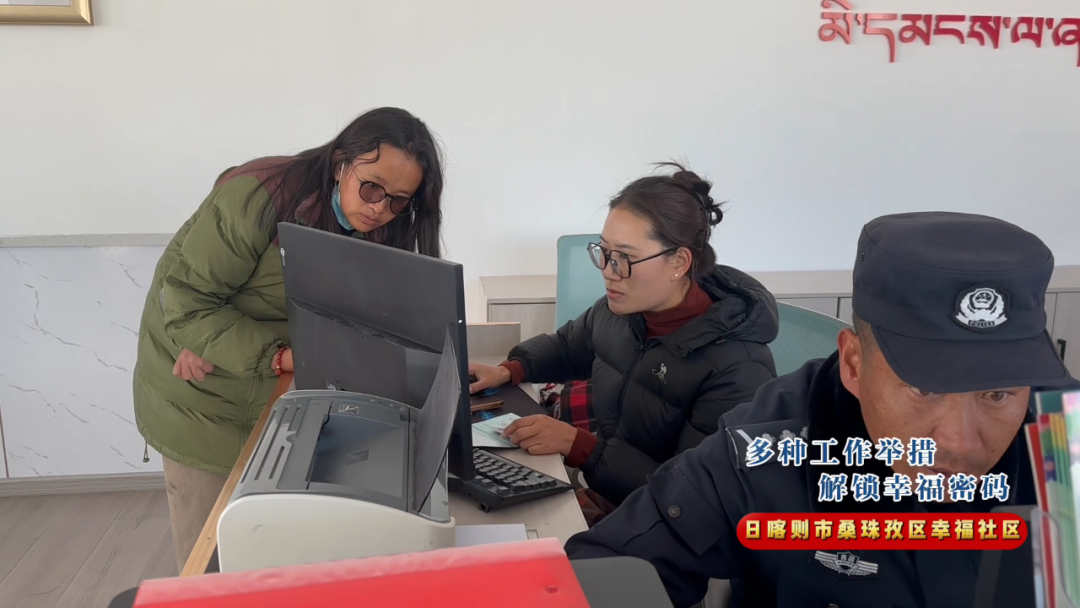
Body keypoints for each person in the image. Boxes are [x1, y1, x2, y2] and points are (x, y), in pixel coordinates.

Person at [563, 211, 1076, 608]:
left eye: (997, 395)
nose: (961, 442)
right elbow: (600, 574)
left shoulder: (1066, 441)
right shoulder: (766, 446)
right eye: (923, 389)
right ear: (853, 363)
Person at [131, 107, 445, 570]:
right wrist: (282, 356)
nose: (381, 208)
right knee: (210, 564)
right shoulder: (259, 195)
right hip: (202, 398)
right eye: (372, 187)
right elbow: (186, 301)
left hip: (277, 394)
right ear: (341, 163)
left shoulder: (384, 224)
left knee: (271, 555)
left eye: (399, 200)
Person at [468, 163, 779, 519]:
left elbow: (693, 497)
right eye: (604, 253)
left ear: (679, 262)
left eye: (625, 258)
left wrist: (581, 447)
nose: (607, 272)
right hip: (605, 485)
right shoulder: (623, 310)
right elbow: (570, 346)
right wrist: (510, 370)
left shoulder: (737, 370)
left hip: (658, 524)